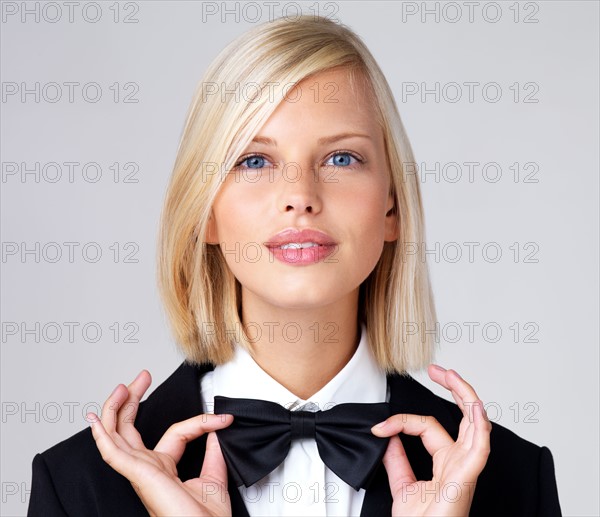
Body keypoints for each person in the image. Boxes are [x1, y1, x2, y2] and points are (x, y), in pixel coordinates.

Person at [27, 15, 562, 517]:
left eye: (341, 158)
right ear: (205, 212)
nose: (300, 197)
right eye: (254, 160)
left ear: (391, 207)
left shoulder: (511, 477)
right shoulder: (79, 485)